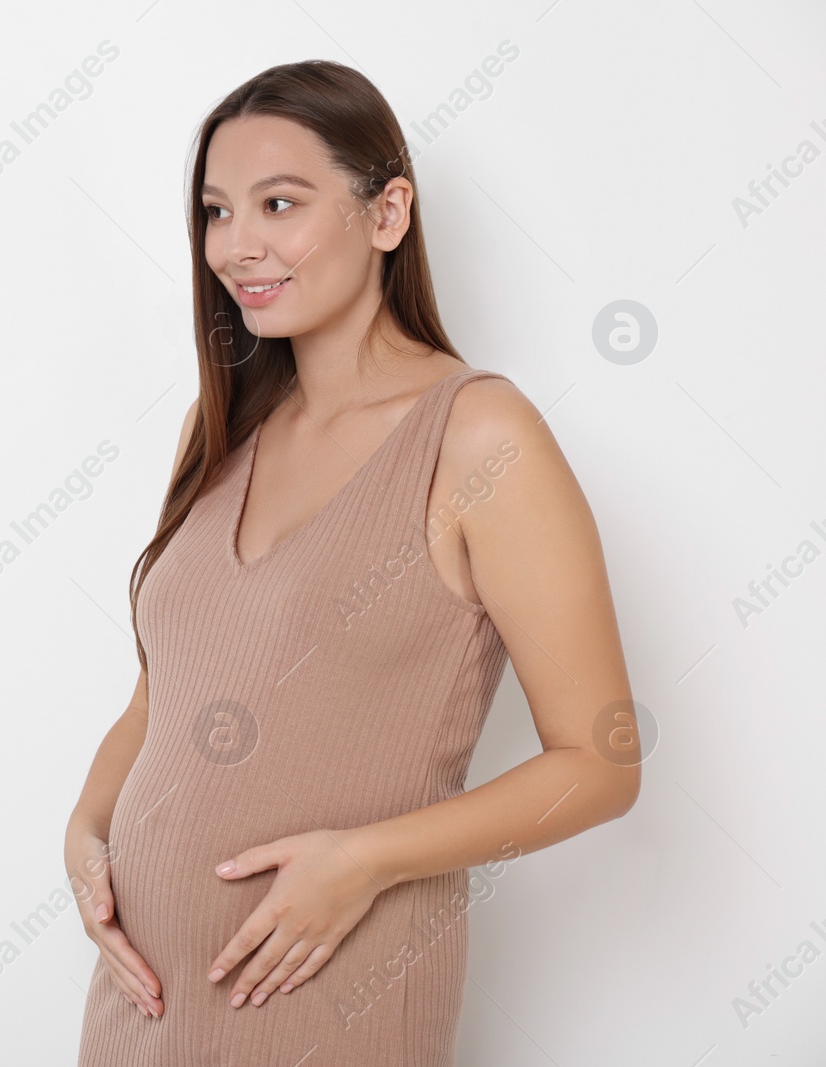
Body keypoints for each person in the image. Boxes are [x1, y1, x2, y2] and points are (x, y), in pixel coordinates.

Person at [67, 60, 640, 1066]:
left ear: (386, 214)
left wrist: (364, 860)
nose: (236, 245)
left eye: (277, 203)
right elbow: (163, 694)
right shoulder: (223, 426)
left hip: (332, 1001)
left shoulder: (476, 436)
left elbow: (599, 762)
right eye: (214, 210)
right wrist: (88, 826)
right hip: (139, 1009)